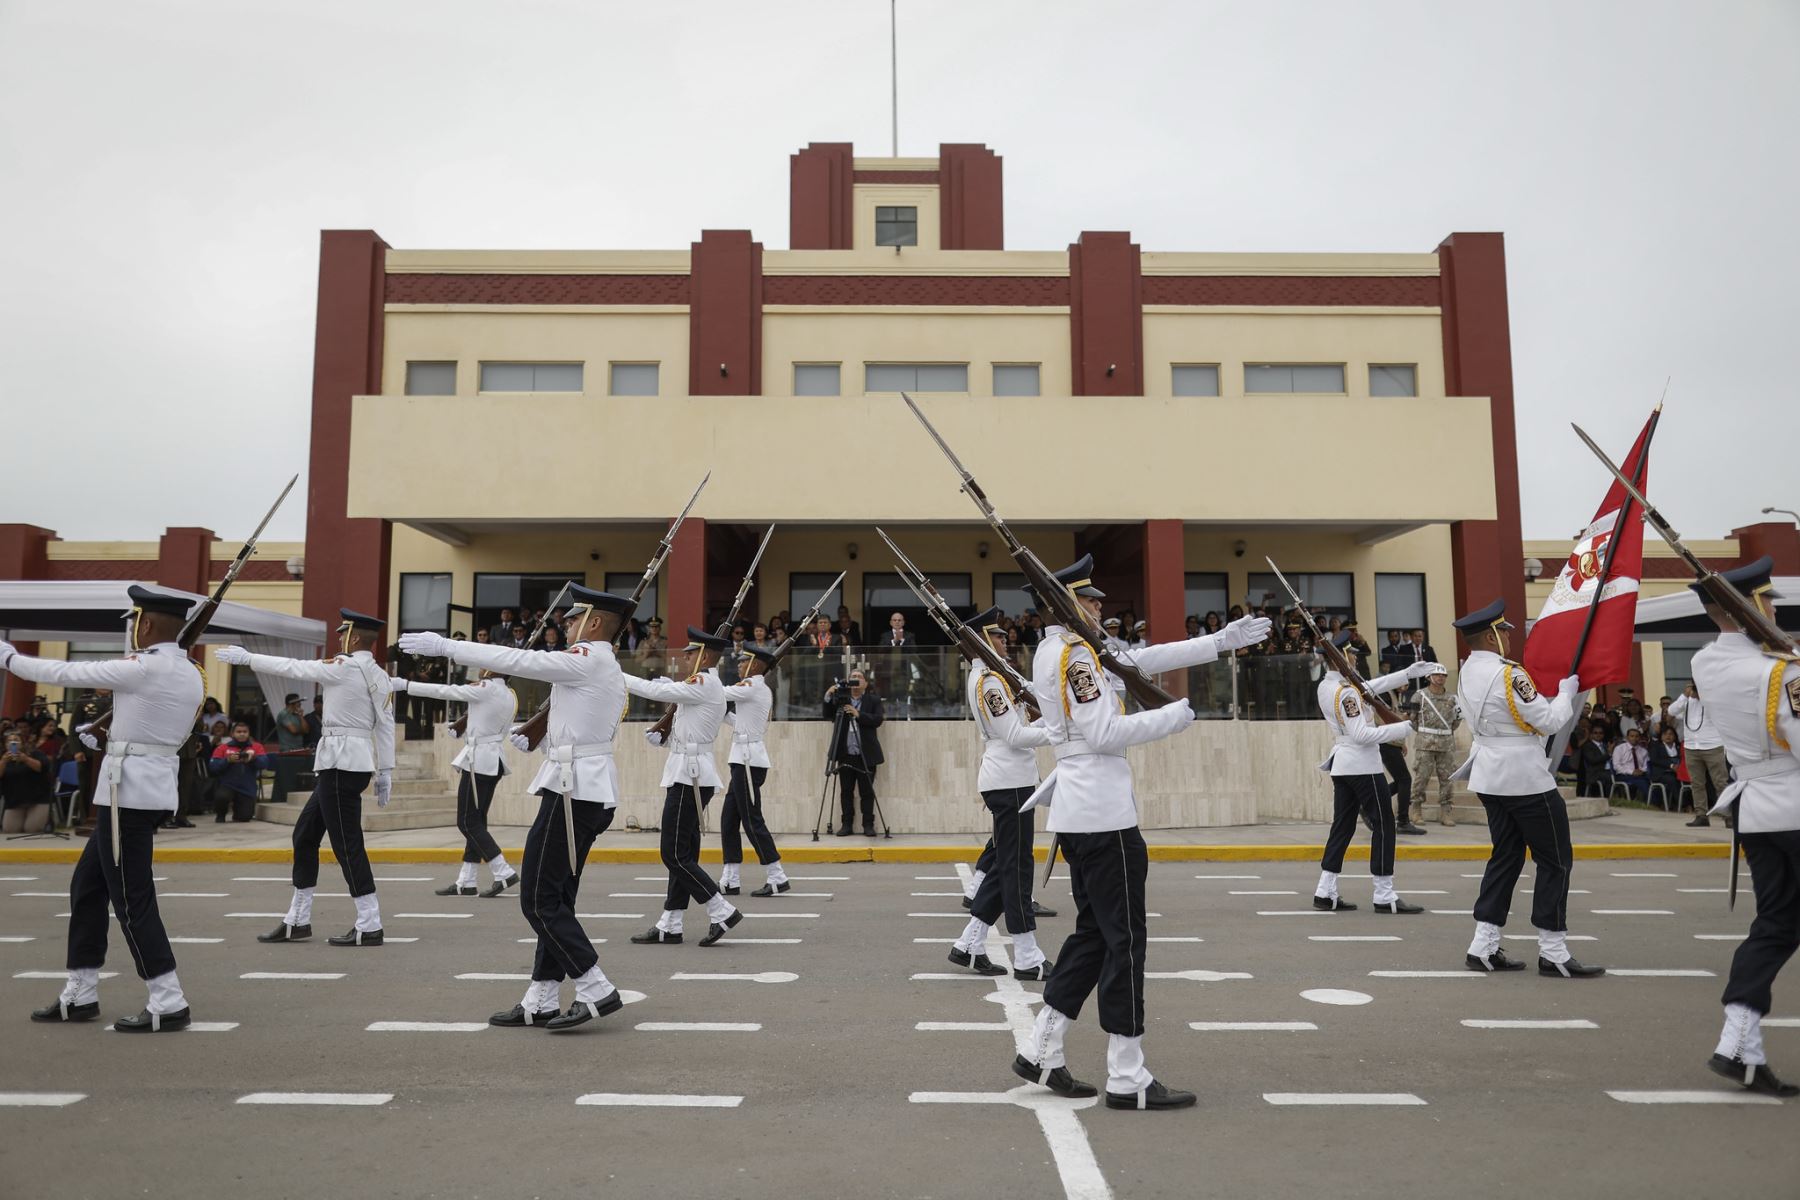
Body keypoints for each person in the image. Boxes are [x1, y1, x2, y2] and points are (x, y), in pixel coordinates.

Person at [1009, 556, 1271, 1110]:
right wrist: (1173, 717)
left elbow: (1143, 657)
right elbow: (1103, 732)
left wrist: (1219, 641)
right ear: (1066, 606)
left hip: (1084, 815)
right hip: (1103, 817)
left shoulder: (1063, 650)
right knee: (1125, 941)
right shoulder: (1074, 656)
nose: (1102, 607)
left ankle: (1042, 1047)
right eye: (1091, 599)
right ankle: (1127, 1076)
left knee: (1093, 935)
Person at [401, 586, 635, 1031]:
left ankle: (595, 986)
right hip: (577, 786)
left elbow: (518, 661)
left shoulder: (588, 659)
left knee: (537, 899)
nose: (565, 625)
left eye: (573, 618)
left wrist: (445, 645)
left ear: (596, 623)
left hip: (573, 792)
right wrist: (541, 737)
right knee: (556, 898)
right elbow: (578, 725)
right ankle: (541, 998)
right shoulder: (599, 665)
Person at [4, 585, 202, 1031]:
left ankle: (168, 1000)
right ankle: (81, 990)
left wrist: (10, 659)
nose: (133, 630)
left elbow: (65, 671)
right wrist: (105, 732)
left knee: (132, 898)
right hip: (135, 790)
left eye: (135, 622)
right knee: (88, 888)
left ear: (145, 624)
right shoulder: (187, 670)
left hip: (128, 796)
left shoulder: (144, 666)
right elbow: (147, 720)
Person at [1684, 557, 1800, 1095]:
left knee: (1776, 923)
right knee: (1779, 923)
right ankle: (1738, 1042)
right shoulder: (1784, 669)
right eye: (1768, 601)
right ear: (1751, 606)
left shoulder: (1708, 663)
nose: (1775, 608)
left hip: (1754, 809)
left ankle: (1738, 1043)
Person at [219, 610, 396, 948]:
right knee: (305, 835)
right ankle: (297, 919)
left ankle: (369, 923)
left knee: (347, 844)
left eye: (344, 633)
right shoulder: (378, 674)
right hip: (349, 763)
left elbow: (293, 667)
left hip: (340, 764)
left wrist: (248, 658)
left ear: (354, 638)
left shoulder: (343, 668)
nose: (340, 638)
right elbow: (385, 724)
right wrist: (385, 769)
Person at [1453, 599, 1602, 978]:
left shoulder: (1467, 669)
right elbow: (1549, 721)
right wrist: (1568, 692)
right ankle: (1553, 950)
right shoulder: (1509, 674)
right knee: (1555, 859)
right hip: (1524, 777)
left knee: (1506, 857)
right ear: (1490, 635)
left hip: (1489, 774)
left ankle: (1482, 945)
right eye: (1503, 631)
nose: (1507, 637)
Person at [948, 608, 1055, 980]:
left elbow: (1020, 726)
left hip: (1011, 780)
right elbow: (1014, 736)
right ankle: (1027, 955)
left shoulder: (993, 678)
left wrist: (1045, 722)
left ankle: (969, 945)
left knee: (1000, 866)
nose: (1004, 640)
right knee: (1017, 867)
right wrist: (1060, 731)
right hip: (1009, 782)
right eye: (996, 636)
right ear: (980, 641)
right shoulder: (989, 682)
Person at [626, 628, 743, 947]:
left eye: (690, 653)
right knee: (684, 852)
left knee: (673, 853)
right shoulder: (706, 684)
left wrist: (615, 675)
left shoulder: (703, 683)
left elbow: (655, 692)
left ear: (704, 656)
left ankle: (721, 909)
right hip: (690, 773)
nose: (685, 656)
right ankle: (671, 923)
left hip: (689, 776)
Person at [1311, 634, 1439, 913]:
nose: (1356, 657)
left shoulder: (1327, 686)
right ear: (1341, 658)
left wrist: (1406, 673)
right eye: (1351, 653)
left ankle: (1325, 890)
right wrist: (1401, 729)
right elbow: (1360, 733)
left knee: (1342, 827)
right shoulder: (1346, 692)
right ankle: (1384, 893)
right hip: (1362, 766)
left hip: (1344, 766)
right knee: (1384, 825)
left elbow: (1369, 687)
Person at [403, 669, 520, 898]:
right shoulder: (508, 693)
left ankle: (503, 871)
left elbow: (444, 690)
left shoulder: (485, 689)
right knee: (476, 821)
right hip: (492, 760)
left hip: (479, 761)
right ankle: (467, 881)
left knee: (467, 822)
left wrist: (406, 685)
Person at [719, 645, 789, 898]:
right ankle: (731, 877)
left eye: (744, 661)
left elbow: (719, 692)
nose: (739, 665)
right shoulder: (754, 689)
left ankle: (776, 875)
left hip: (748, 762)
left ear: (756, 666)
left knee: (751, 820)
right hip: (742, 760)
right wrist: (724, 715)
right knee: (729, 820)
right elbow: (742, 724)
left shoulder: (752, 687)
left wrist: (695, 686)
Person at [824, 669, 884, 836]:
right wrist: (829, 695)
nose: (856, 680)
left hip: (866, 754)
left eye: (859, 677)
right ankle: (846, 825)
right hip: (845, 754)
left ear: (865, 683)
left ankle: (868, 825)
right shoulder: (841, 700)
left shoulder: (873, 700)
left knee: (867, 792)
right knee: (846, 791)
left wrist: (859, 714)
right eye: (853, 677)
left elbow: (878, 719)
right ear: (848, 682)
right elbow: (827, 714)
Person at [1670, 682, 1731, 826]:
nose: (1695, 692)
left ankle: (1729, 817)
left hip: (1713, 746)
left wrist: (1705, 695)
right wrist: (1684, 696)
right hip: (1691, 747)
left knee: (1720, 783)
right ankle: (1701, 815)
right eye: (1693, 689)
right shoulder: (1686, 701)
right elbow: (1672, 711)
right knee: (1697, 783)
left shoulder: (1711, 700)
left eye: (1697, 689)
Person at [1411, 667, 1463, 826]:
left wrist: (1443, 732)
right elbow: (1413, 720)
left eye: (1443, 675)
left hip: (1446, 744)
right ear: (1429, 677)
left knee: (1447, 779)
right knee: (1422, 777)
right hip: (1425, 742)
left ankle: (1446, 812)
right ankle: (1416, 809)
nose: (1440, 678)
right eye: (1437, 674)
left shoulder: (1452, 698)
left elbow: (1456, 720)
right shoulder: (1419, 696)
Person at [207, 722, 270, 823]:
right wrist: (228, 760)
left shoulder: (256, 747)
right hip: (227, 785)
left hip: (247, 787)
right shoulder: (223, 747)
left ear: (249, 733)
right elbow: (213, 767)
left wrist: (253, 758)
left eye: (245, 732)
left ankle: (238, 812)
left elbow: (265, 764)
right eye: (239, 732)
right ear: (232, 734)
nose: (242, 734)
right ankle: (220, 814)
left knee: (244, 818)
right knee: (221, 797)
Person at [1, 725, 53, 834]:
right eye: (9, 741)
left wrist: (25, 759)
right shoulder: (3, 758)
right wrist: (3, 762)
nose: (12, 743)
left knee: (32, 830)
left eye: (16, 740)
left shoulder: (35, 753)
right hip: (14, 801)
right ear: (5, 744)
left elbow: (42, 767)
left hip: (37, 799)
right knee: (9, 830)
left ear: (22, 742)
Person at [272, 693, 307, 803]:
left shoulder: (297, 715)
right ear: (292, 703)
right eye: (298, 702)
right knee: (287, 778)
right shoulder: (284, 714)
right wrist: (300, 728)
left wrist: (301, 717)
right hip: (287, 750)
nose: (300, 704)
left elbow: (306, 730)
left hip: (298, 749)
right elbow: (294, 730)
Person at [1610, 727, 1650, 800]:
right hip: (1623, 775)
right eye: (1632, 736)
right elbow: (1616, 766)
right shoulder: (1619, 748)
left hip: (1640, 775)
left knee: (1650, 780)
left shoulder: (1644, 751)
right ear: (1627, 737)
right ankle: (1652, 803)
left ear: (1640, 738)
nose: (1634, 738)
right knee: (1642, 782)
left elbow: (1646, 765)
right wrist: (1632, 772)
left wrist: (1641, 771)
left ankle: (1648, 802)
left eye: (1637, 736)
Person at [1649, 725, 1684, 804]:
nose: (1668, 736)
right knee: (1673, 780)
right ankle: (1683, 805)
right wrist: (1671, 766)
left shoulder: (1679, 747)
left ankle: (1692, 804)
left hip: (1678, 771)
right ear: (1661, 736)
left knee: (1688, 779)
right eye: (1665, 734)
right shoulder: (1656, 746)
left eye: (1670, 734)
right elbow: (1654, 760)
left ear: (1675, 736)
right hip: (1662, 773)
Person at [1577, 724, 1614, 798]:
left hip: (1609, 770)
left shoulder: (1606, 745)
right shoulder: (1588, 746)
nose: (1598, 735)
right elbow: (1593, 760)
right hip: (1595, 772)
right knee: (1609, 777)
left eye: (1600, 733)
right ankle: (1607, 799)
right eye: (1595, 733)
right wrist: (1609, 754)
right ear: (1591, 734)